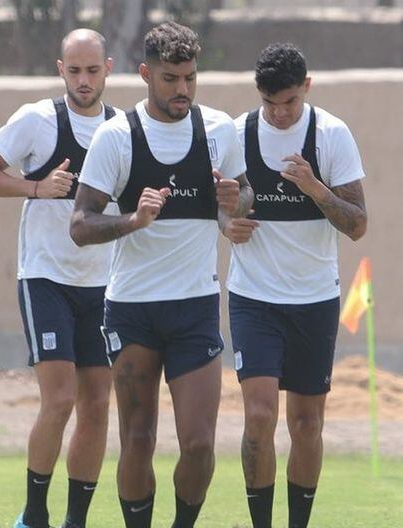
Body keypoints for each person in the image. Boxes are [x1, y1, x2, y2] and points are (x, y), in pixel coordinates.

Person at [70, 22, 252, 528]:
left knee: (199, 445)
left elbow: (241, 200)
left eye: (190, 78)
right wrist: (133, 220)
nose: (182, 89)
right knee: (137, 440)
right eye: (171, 79)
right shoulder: (116, 137)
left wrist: (236, 200)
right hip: (132, 311)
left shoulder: (218, 130)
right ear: (146, 74)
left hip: (195, 307)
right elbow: (80, 225)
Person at [0, 28, 117, 528]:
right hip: (46, 278)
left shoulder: (122, 129)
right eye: (73, 71)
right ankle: (34, 514)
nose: (83, 80)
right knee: (60, 399)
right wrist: (36, 187)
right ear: (60, 70)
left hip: (104, 285)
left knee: (97, 405)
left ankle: (76, 519)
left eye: (92, 70)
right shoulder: (37, 119)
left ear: (108, 69)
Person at [223, 43, 367, 528]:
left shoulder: (331, 135)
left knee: (306, 425)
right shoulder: (237, 134)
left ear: (306, 86)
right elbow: (219, 209)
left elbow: (357, 224)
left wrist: (314, 188)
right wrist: (227, 225)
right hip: (253, 298)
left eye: (289, 101)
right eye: (270, 102)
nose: (279, 113)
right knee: (259, 417)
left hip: (315, 300)